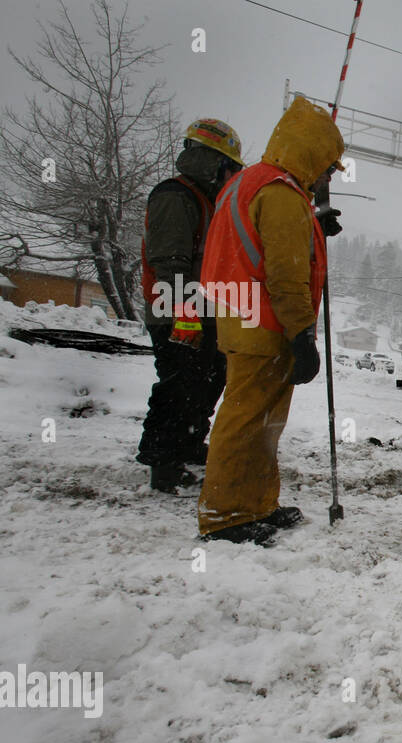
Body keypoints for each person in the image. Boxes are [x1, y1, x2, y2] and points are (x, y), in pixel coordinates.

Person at [196, 96, 345, 545]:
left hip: (244, 319)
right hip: (266, 325)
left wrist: (315, 223)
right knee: (246, 422)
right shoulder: (280, 193)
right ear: (310, 153)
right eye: (327, 167)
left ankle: (255, 505)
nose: (326, 177)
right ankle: (226, 516)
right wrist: (302, 334)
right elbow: (285, 273)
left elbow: (258, 249)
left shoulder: (250, 182)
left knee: (260, 422)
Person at [136, 119, 244, 493]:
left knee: (206, 381)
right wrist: (186, 317)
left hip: (202, 311)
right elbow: (170, 263)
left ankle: (188, 442)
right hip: (177, 312)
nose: (231, 174)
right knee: (179, 384)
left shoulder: (208, 200)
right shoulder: (175, 196)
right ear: (211, 161)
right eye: (228, 166)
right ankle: (163, 461)